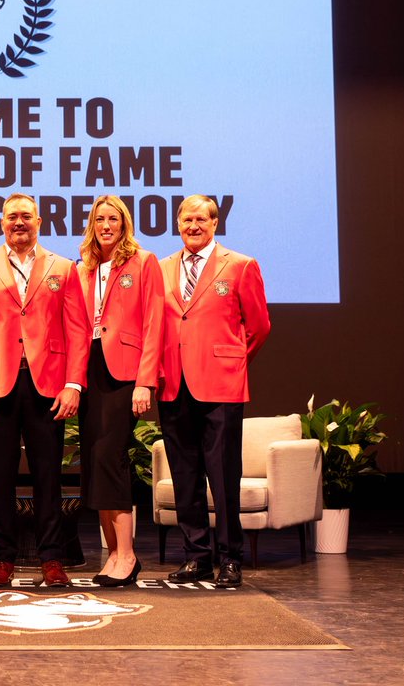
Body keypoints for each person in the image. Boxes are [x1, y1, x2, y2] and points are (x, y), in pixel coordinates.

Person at [0, 193, 90, 587]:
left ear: (39, 221)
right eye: (12, 216)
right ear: (1, 222)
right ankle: (3, 559)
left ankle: (51, 559)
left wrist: (73, 384)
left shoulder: (64, 267)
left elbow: (78, 330)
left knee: (49, 475)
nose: (19, 222)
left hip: (48, 384)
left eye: (26, 216)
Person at [158, 195, 271, 588]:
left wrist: (231, 361)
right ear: (177, 223)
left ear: (214, 223)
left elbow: (258, 327)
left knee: (223, 477)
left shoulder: (240, 266)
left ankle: (229, 558)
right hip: (173, 384)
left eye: (200, 220)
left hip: (221, 384)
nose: (193, 226)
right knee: (185, 476)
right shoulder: (162, 268)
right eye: (186, 219)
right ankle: (196, 557)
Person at [76, 196, 164, 587]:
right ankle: (112, 554)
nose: (106, 225)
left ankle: (127, 554)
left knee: (111, 458)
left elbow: (154, 321)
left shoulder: (143, 262)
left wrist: (145, 380)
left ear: (124, 223)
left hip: (125, 372)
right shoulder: (84, 268)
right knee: (95, 461)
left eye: (113, 218)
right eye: (99, 219)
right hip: (89, 369)